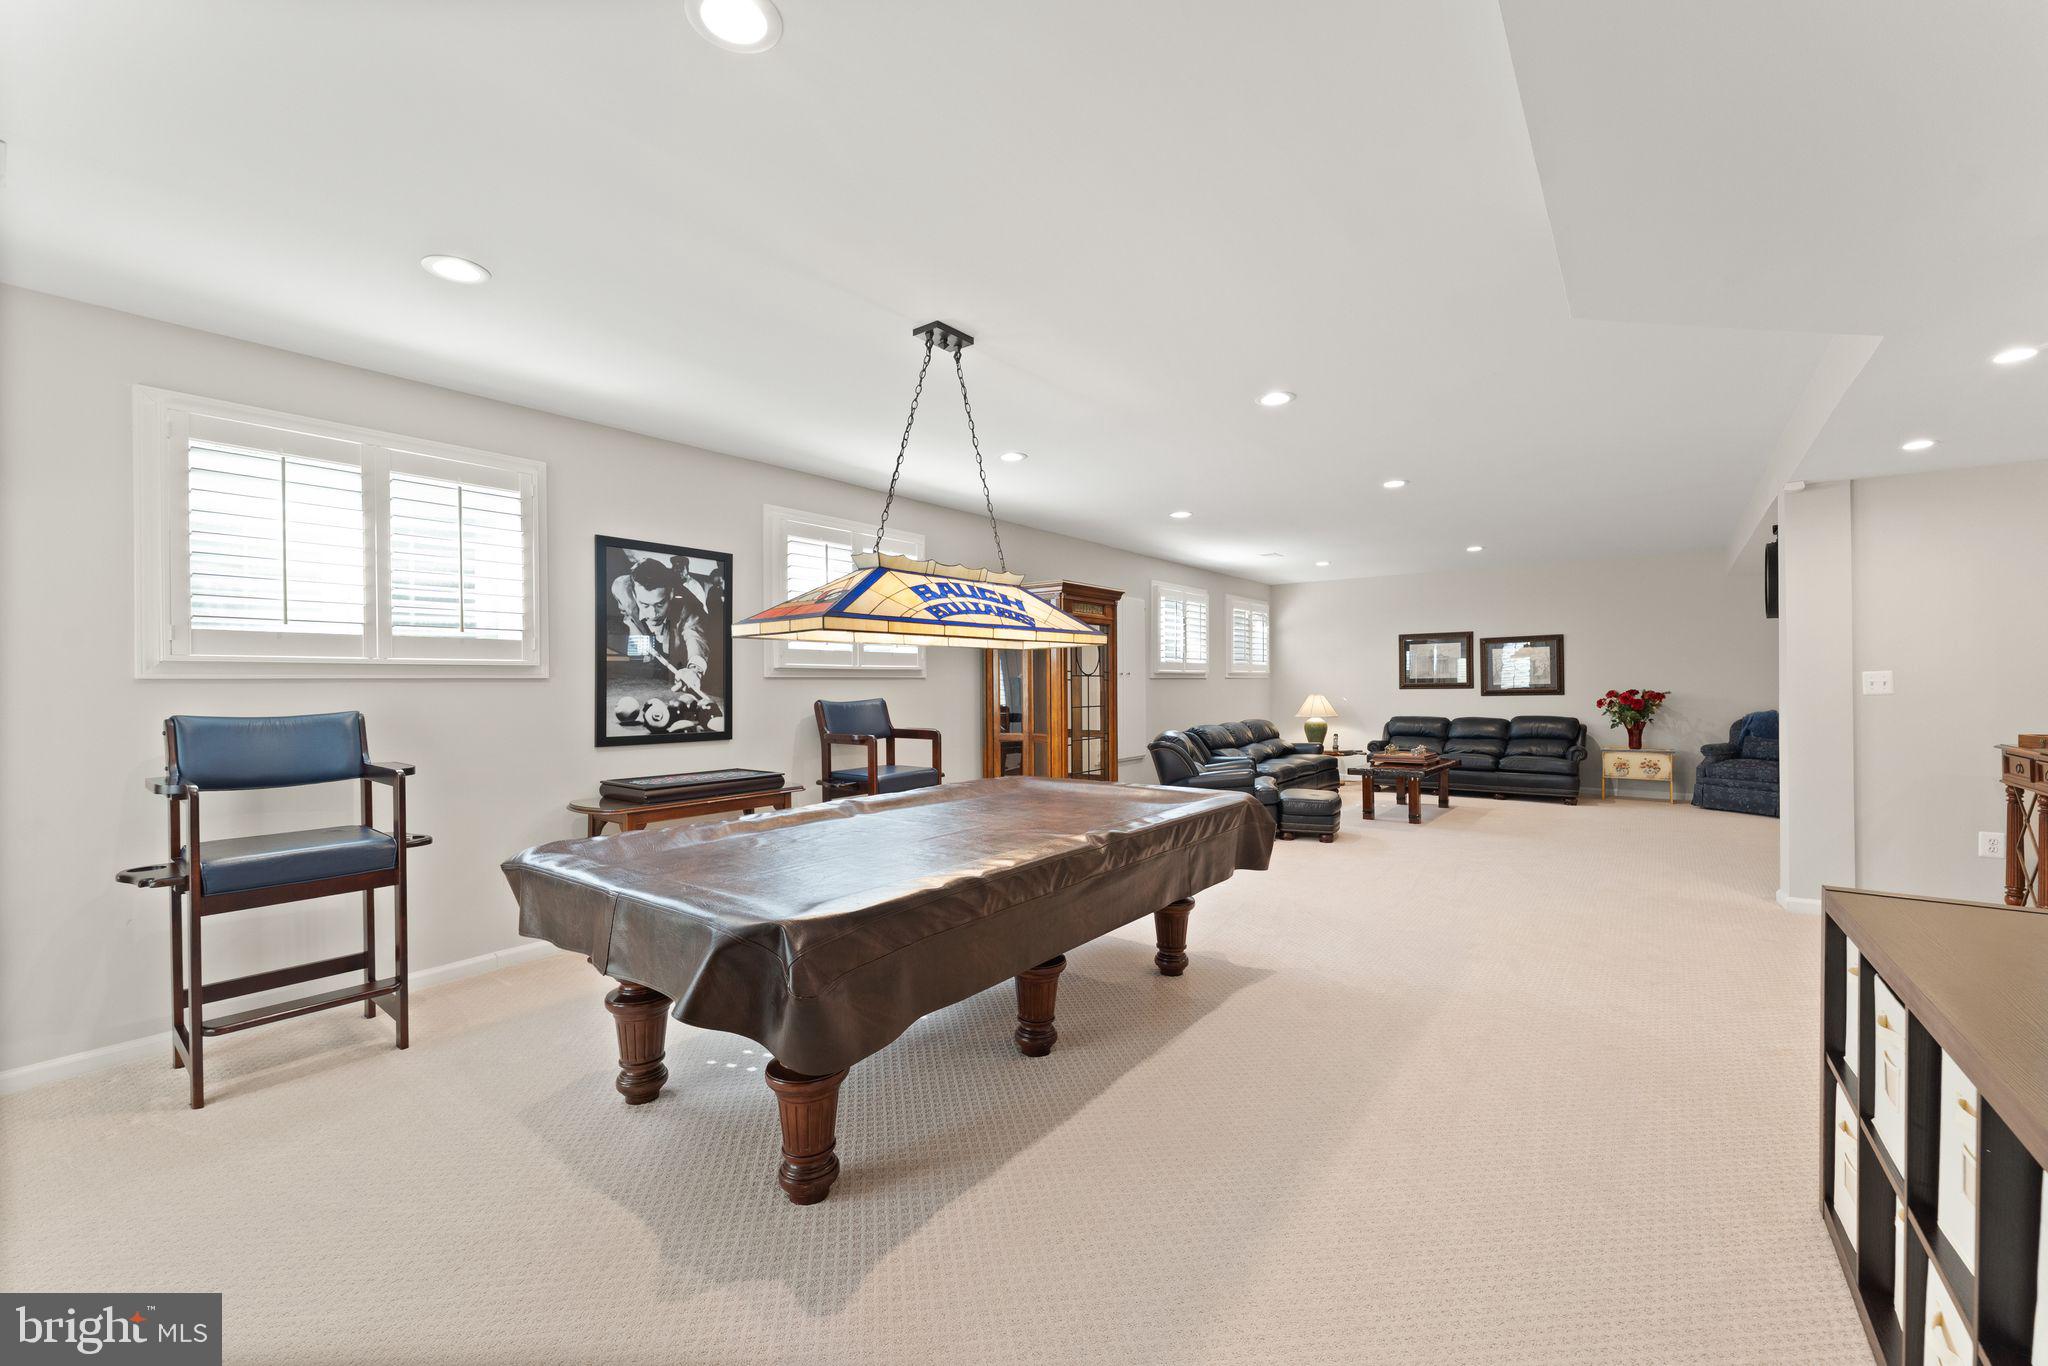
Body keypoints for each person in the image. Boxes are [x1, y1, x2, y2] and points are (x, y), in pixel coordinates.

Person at [609, 552, 711, 701]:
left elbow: (695, 634)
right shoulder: (621, 588)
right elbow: (625, 609)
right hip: (645, 654)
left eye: (660, 604)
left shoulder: (687, 604)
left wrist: (694, 670)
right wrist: (631, 623)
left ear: (670, 594)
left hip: (677, 657)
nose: (652, 614)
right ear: (635, 595)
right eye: (645, 605)